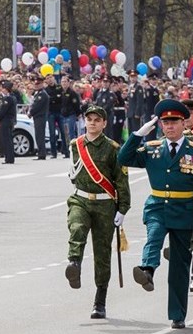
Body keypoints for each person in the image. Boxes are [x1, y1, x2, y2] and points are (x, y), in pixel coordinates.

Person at [118, 99, 193, 330]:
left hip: (185, 211)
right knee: (154, 236)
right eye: (165, 122)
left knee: (180, 267)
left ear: (183, 123)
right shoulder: (152, 148)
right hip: (158, 206)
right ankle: (147, 270)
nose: (169, 127)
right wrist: (138, 134)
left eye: (174, 122)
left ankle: (178, 314)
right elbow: (124, 158)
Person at [65, 106, 130, 319]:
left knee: (102, 254)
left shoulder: (113, 148)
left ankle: (100, 300)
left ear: (104, 123)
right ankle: (74, 263)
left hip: (104, 204)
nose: (92, 123)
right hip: (81, 199)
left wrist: (122, 209)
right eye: (89, 119)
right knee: (77, 227)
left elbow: (121, 180)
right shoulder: (76, 145)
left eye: (97, 120)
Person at [45, 75, 67, 158]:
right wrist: (55, 98)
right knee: (52, 133)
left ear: (54, 79)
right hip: (51, 113)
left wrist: (53, 99)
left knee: (64, 132)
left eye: (51, 78)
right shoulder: (46, 90)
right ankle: (54, 153)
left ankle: (65, 151)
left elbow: (61, 98)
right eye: (48, 78)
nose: (50, 80)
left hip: (60, 112)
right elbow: (48, 100)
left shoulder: (59, 88)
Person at [0, 81, 17, 164]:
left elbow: (2, 111)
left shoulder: (7, 98)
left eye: (4, 88)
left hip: (6, 121)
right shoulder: (12, 97)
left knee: (7, 140)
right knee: (9, 139)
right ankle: (9, 157)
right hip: (9, 120)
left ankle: (9, 158)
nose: (2, 90)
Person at [29, 78, 49, 160]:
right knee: (38, 135)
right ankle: (40, 152)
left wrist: (30, 113)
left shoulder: (42, 94)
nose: (36, 86)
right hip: (38, 116)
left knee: (40, 135)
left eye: (38, 84)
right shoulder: (38, 93)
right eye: (35, 84)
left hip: (40, 116)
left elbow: (37, 106)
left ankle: (41, 153)